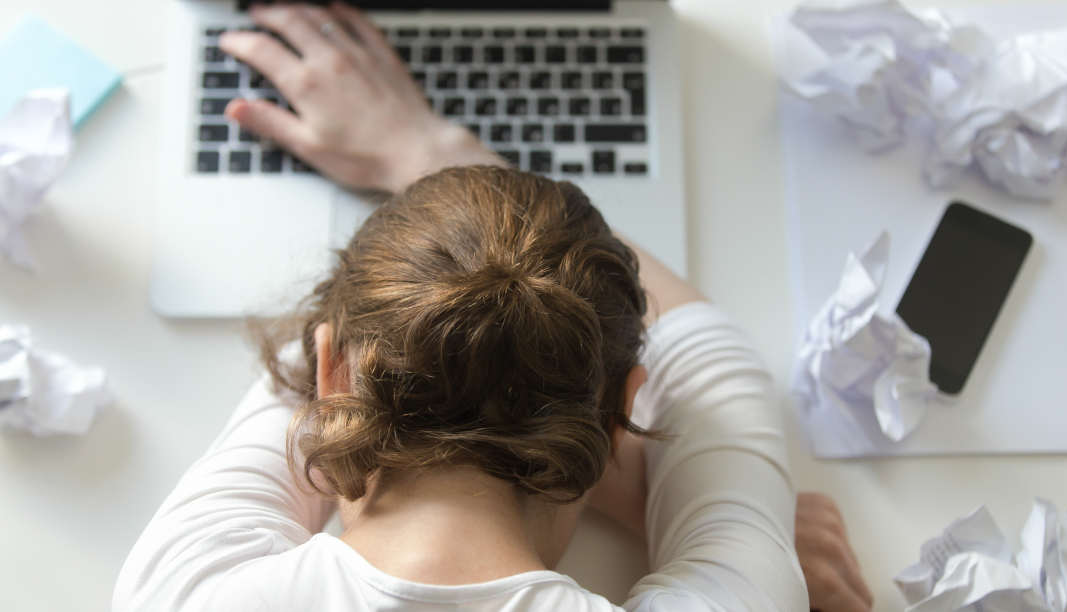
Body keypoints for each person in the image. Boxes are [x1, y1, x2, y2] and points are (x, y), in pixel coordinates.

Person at [113, 3, 873, 610]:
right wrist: (755, 534)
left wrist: (427, 194)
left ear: (331, 371)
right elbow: (712, 357)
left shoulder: (178, 592)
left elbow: (333, 347)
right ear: (625, 415)